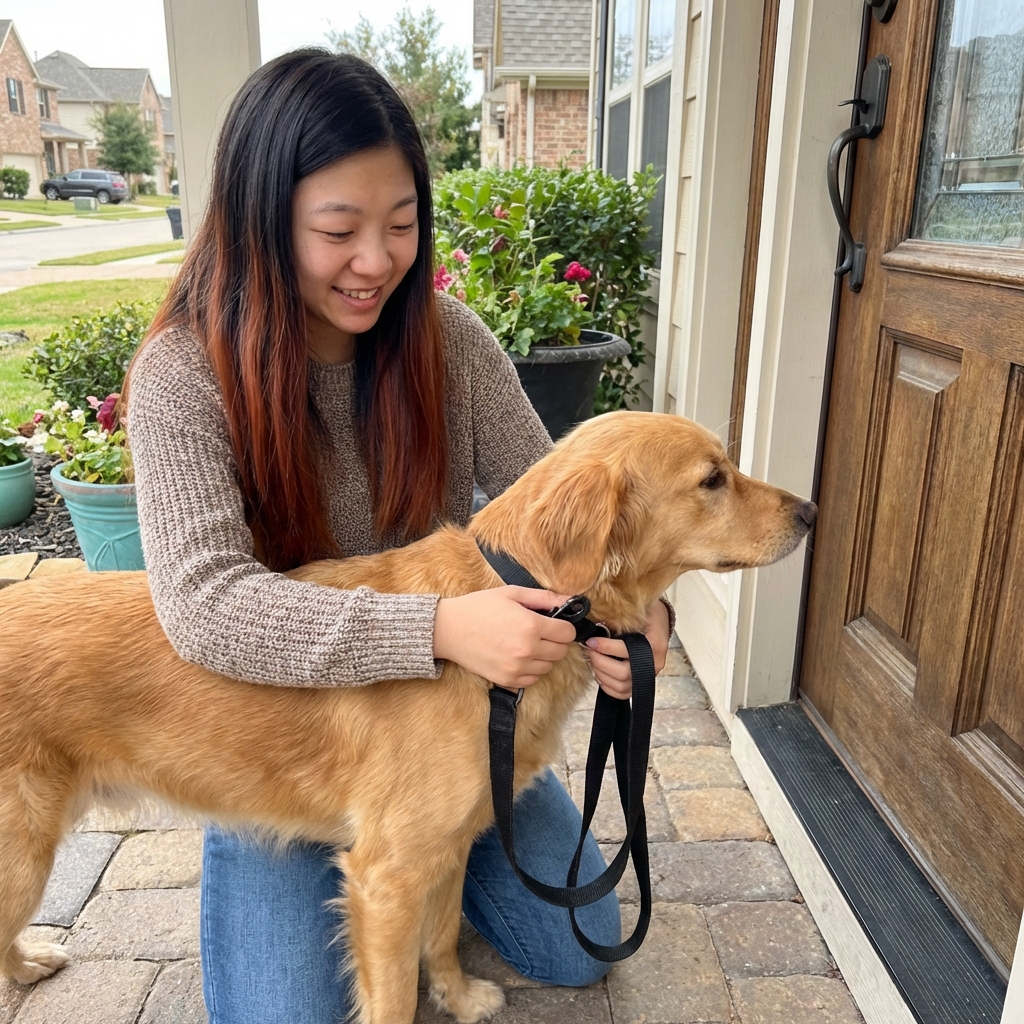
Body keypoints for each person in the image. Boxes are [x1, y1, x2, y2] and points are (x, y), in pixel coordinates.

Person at [124, 48, 671, 1024]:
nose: (375, 260)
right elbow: (204, 606)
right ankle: (396, 872)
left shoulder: (452, 343)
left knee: (572, 947)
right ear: (262, 220)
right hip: (283, 746)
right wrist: (436, 628)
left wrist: (633, 623)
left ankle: (423, 872)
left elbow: (564, 515)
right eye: (338, 229)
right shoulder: (182, 377)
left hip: (453, 723)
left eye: (402, 223)